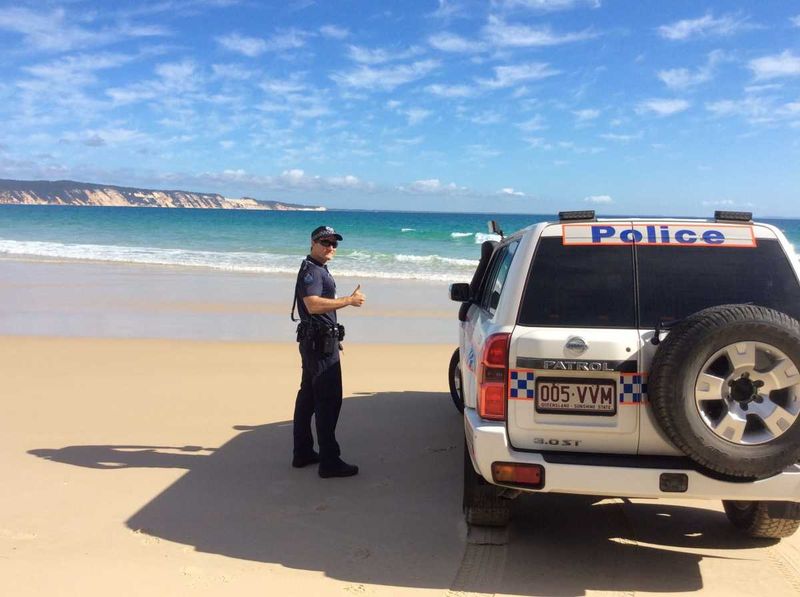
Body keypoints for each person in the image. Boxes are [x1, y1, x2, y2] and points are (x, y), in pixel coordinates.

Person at [291, 225, 366, 478]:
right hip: (319, 346)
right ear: (313, 243)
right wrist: (348, 300)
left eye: (334, 243)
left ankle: (302, 452)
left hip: (317, 341)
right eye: (325, 242)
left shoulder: (316, 268)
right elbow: (312, 305)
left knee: (309, 398)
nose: (331, 247)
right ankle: (329, 461)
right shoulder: (312, 271)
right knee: (328, 401)